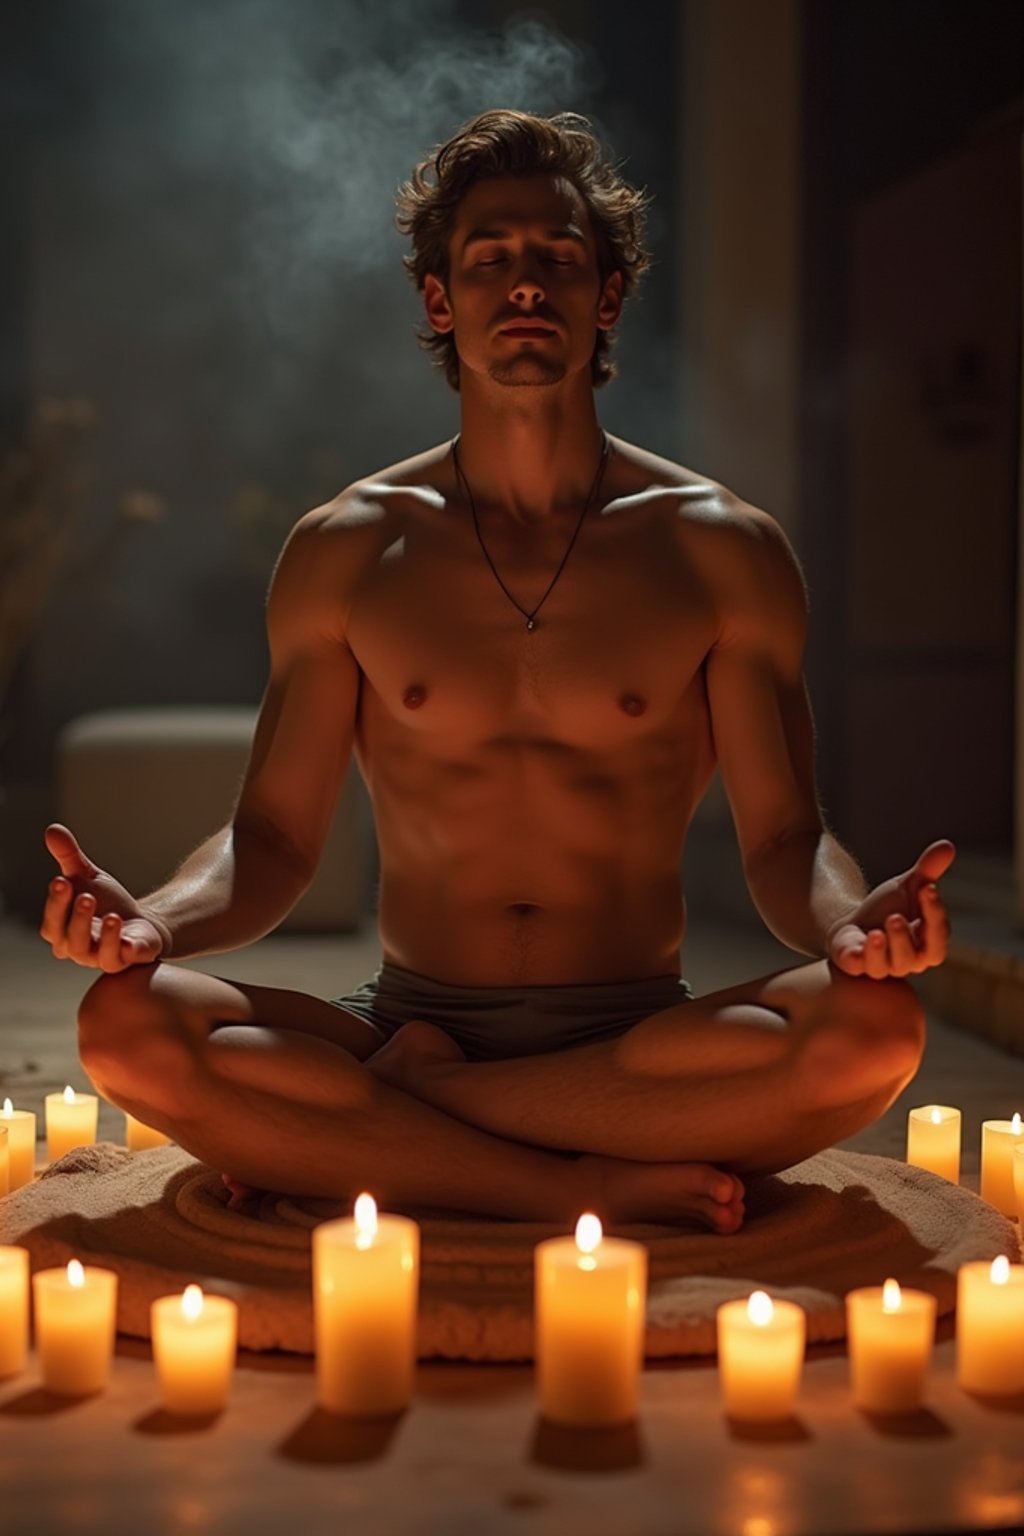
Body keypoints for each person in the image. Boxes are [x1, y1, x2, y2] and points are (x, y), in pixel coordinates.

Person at [39, 109, 953, 1230]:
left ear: (606, 297)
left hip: (634, 1040)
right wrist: (156, 924)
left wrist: (850, 928)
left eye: (559, 258)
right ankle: (568, 1177)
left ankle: (416, 1118)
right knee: (124, 1022)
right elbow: (271, 841)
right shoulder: (348, 546)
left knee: (876, 1032)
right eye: (489, 259)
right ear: (441, 300)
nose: (525, 282)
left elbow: (782, 844)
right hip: (407, 1010)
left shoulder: (723, 548)